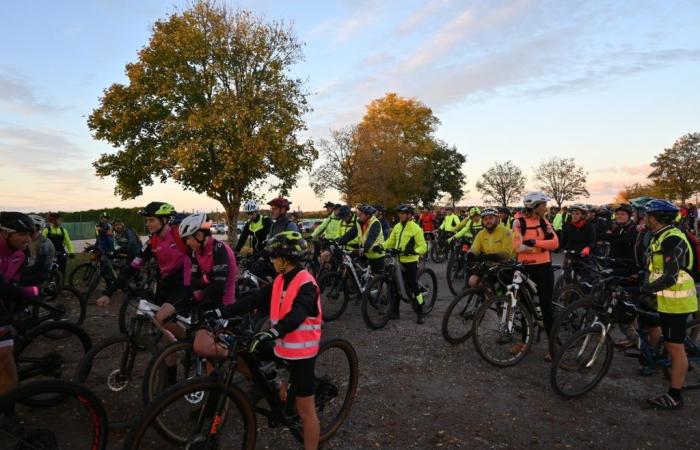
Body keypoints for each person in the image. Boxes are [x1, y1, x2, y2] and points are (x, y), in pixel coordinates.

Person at [203, 231, 321, 449]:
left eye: (274, 257)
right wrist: (221, 313)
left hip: (301, 351)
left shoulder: (307, 283)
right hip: (280, 343)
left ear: (286, 259)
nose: (271, 260)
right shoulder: (279, 280)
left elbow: (298, 313)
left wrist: (273, 332)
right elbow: (253, 300)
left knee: (306, 412)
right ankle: (276, 387)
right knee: (243, 354)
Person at [641, 200, 698, 409]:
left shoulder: (673, 238)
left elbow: (671, 276)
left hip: (677, 301)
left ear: (654, 218)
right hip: (664, 298)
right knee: (667, 340)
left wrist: (647, 289)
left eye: (646, 215)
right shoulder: (660, 235)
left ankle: (675, 396)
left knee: (675, 347)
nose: (644, 218)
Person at [95, 202, 190, 309]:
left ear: (164, 220)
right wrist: (108, 294)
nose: (147, 224)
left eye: (151, 220)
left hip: (185, 283)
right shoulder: (152, 242)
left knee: (165, 318)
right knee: (159, 321)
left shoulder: (180, 236)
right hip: (165, 283)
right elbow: (132, 267)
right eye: (146, 220)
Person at [166, 214, 238, 354]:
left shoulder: (219, 249)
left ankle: (233, 355)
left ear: (199, 235)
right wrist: (205, 280)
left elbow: (219, 286)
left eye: (188, 238)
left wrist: (198, 293)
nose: (187, 243)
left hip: (224, 301)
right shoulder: (196, 252)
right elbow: (193, 282)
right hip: (209, 298)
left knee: (205, 346)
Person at [512, 192, 559, 361]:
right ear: (536, 207)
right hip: (525, 269)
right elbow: (517, 247)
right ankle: (525, 342)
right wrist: (541, 248)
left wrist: (534, 243)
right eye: (544, 205)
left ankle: (552, 347)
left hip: (544, 269)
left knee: (546, 308)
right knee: (524, 307)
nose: (546, 208)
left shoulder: (544, 222)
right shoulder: (518, 223)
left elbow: (555, 243)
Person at [0, 212, 35, 394]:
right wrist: (27, 292)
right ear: (5, 233)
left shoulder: (20, 253)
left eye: (29, 234)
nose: (27, 239)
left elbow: (13, 281)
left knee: (4, 356)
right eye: (22, 234)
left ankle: (7, 412)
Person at [382, 204, 428, 324]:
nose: (400, 215)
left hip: (410, 261)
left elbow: (423, 246)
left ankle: (420, 311)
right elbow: (390, 241)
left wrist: (414, 251)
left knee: (413, 285)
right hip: (397, 259)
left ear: (409, 215)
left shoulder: (416, 229)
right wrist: (381, 246)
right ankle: (395, 312)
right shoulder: (397, 226)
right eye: (400, 213)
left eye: (403, 213)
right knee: (394, 285)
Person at [466, 208, 515, 288]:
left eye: (491, 218)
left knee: (503, 288)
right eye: (485, 219)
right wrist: (470, 254)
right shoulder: (481, 234)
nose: (488, 221)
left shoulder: (506, 232)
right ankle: (488, 298)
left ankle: (498, 298)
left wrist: (485, 257)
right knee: (472, 281)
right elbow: (475, 249)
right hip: (489, 265)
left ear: (497, 219)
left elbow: (506, 254)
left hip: (505, 265)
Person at [336, 204, 385, 274]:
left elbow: (371, 238)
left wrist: (364, 248)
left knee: (378, 280)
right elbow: (350, 234)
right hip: (366, 253)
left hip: (377, 255)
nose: (358, 215)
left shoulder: (375, 223)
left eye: (361, 214)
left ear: (367, 215)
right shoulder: (360, 222)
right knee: (358, 271)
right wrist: (339, 242)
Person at [599, 204, 638, 275]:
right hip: (614, 263)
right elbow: (607, 236)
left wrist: (610, 237)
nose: (619, 216)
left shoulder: (633, 229)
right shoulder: (619, 228)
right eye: (617, 214)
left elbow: (622, 240)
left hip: (627, 266)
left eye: (622, 214)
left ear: (629, 216)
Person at [20, 214, 56, 286]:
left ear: (37, 227)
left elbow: (39, 265)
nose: (27, 227)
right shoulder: (29, 240)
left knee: (21, 283)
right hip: (31, 268)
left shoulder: (43, 242)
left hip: (41, 271)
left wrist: (22, 271)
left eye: (30, 225)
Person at [43, 212, 74, 279]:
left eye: (60, 220)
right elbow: (42, 243)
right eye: (58, 220)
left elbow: (68, 242)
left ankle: (61, 286)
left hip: (61, 253)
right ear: (53, 220)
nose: (60, 222)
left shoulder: (63, 230)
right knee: (50, 272)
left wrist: (71, 252)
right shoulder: (46, 230)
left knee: (62, 271)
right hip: (50, 254)